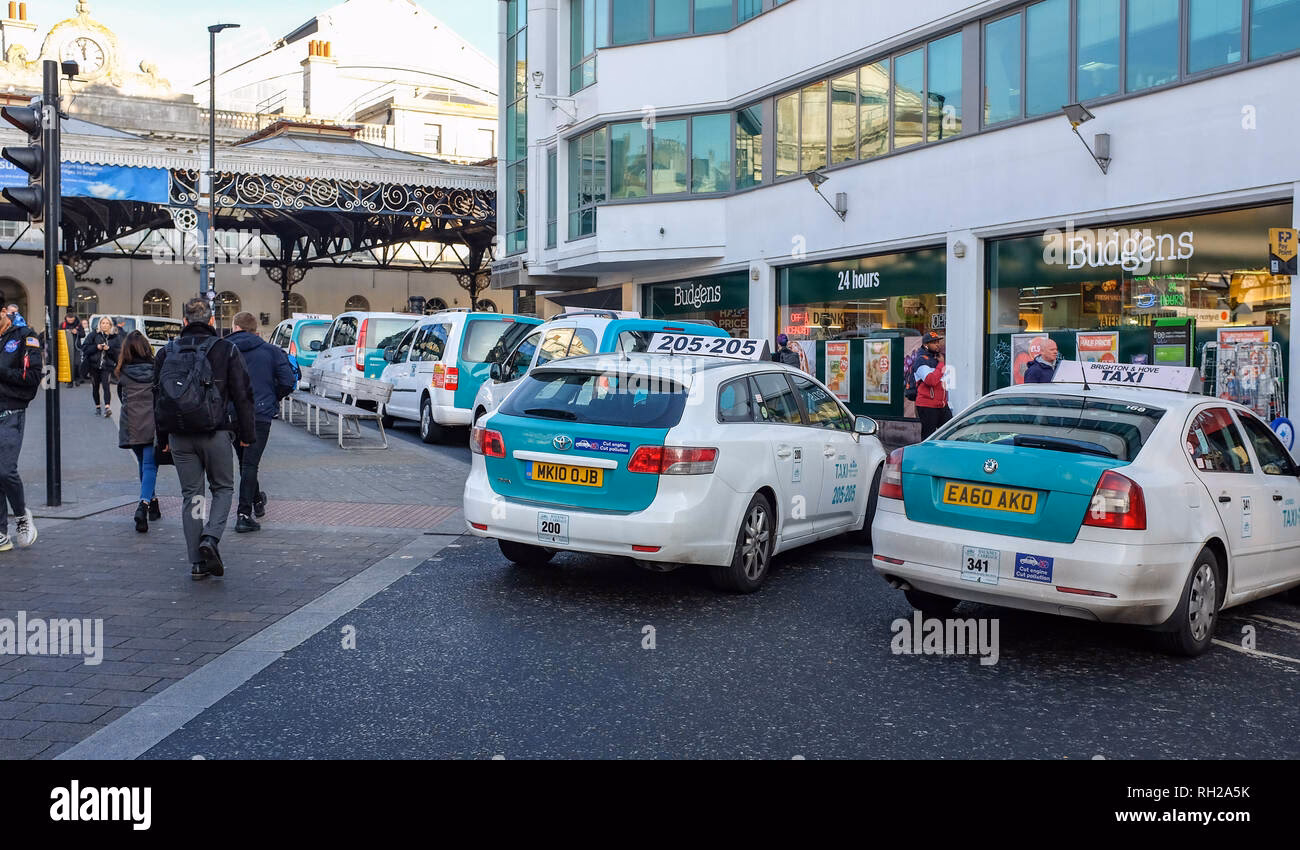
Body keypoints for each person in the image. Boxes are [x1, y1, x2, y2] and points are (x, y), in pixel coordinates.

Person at [154, 297, 255, 581]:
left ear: (184, 321)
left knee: (192, 496)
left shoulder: (166, 352)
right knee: (222, 488)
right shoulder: (226, 349)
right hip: (216, 433)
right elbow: (243, 396)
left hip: (179, 436)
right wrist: (247, 435)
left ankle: (197, 563)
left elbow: (157, 398)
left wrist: (162, 438)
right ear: (212, 321)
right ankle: (211, 537)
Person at [226, 311, 297, 533]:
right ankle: (244, 513)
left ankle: (256, 501)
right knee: (250, 463)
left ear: (235, 327)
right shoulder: (271, 351)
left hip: (231, 414)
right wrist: (271, 396)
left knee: (245, 461)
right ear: (255, 330)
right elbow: (288, 381)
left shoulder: (223, 349)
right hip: (260, 413)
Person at [0, 308, 41, 551]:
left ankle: (22, 515)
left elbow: (32, 376)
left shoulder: (25, 336)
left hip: (11, 412)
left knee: (5, 471)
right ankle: (1, 532)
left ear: (3, 311)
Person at [115, 331, 163, 533]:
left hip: (131, 426)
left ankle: (152, 503)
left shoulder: (122, 373)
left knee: (143, 464)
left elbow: (120, 395)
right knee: (150, 465)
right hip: (152, 425)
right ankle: (144, 505)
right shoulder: (156, 371)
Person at [913, 331, 953, 440]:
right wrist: (940, 365)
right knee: (928, 437)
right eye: (934, 342)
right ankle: (925, 456)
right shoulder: (921, 360)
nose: (938, 344)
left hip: (942, 405)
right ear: (926, 344)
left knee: (951, 433)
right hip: (927, 406)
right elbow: (931, 380)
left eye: (938, 342)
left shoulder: (937, 358)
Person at [82, 317, 121, 417]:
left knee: (106, 386)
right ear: (100, 324)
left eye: (107, 323)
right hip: (93, 366)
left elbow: (118, 353)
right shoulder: (93, 335)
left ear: (110, 325)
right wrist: (96, 347)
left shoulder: (115, 337)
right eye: (103, 323)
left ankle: (107, 407)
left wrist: (109, 349)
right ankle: (98, 406)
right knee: (95, 387)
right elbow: (85, 348)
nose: (104, 325)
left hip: (107, 366)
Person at [60, 313, 85, 387]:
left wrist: (77, 332)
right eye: (69, 318)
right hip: (66, 347)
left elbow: (83, 334)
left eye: (72, 318)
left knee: (77, 363)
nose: (70, 320)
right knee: (69, 364)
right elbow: (58, 333)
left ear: (74, 318)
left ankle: (77, 379)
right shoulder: (63, 325)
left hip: (76, 347)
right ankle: (69, 381)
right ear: (66, 318)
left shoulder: (78, 325)